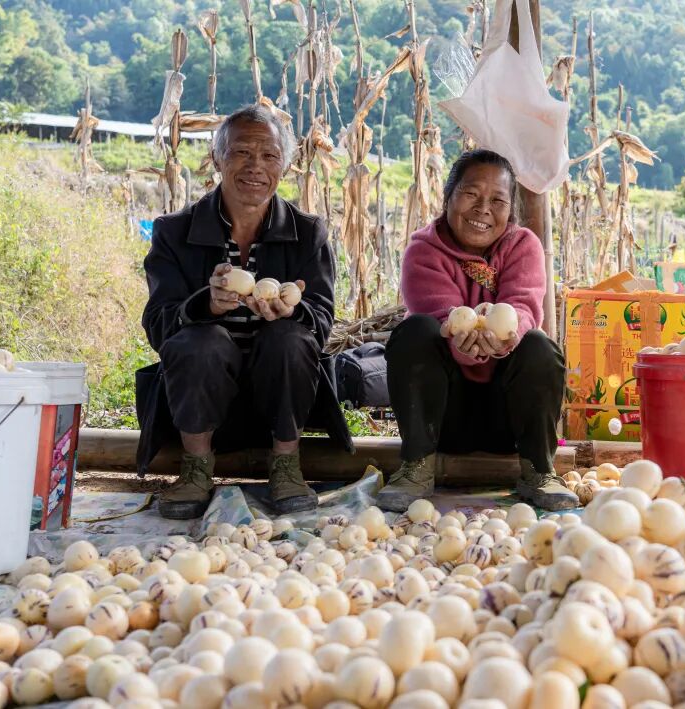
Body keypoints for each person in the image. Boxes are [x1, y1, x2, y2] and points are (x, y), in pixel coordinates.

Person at [137, 104, 353, 519]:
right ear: (217, 158)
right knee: (202, 340)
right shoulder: (174, 232)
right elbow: (159, 325)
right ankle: (196, 467)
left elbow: (322, 322)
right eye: (241, 152)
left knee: (289, 337)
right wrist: (204, 304)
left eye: (269, 155)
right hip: (201, 407)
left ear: (284, 166)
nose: (256, 166)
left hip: (282, 406)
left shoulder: (308, 233)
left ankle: (286, 465)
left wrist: (292, 311)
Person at [376, 149, 576, 512]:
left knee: (538, 346)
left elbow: (522, 309)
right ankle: (417, 466)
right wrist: (462, 341)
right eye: (471, 194)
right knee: (416, 331)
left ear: (510, 211)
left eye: (497, 200)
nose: (483, 209)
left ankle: (539, 469)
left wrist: (503, 337)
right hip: (444, 418)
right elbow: (444, 319)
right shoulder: (423, 251)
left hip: (506, 418)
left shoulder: (522, 245)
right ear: (448, 198)